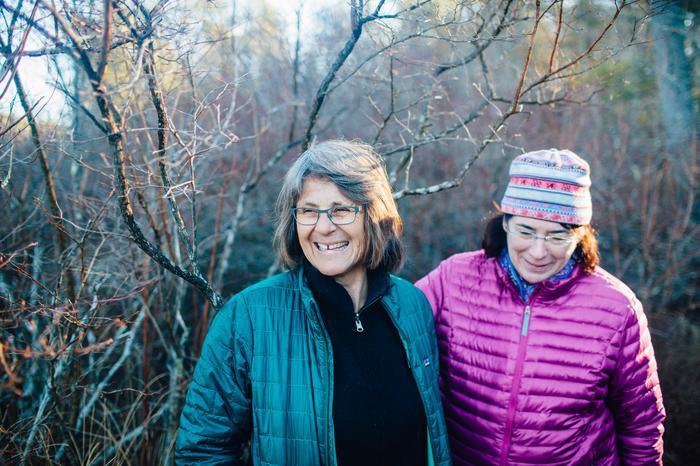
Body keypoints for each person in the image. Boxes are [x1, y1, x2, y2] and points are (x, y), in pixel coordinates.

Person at [176, 140, 451, 465]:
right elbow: (201, 452)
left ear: (375, 216)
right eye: (308, 211)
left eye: (341, 209)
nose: (323, 227)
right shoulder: (249, 317)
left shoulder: (412, 306)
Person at [416, 149, 665, 465]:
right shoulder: (453, 279)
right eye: (526, 231)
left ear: (580, 234)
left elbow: (641, 424)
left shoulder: (617, 309)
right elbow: (392, 336)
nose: (537, 252)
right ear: (505, 223)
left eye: (557, 237)